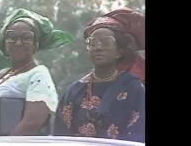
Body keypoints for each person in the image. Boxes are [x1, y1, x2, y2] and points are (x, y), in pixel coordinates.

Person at [0, 8, 74, 136]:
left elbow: (32, 123)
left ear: (35, 45)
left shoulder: (38, 74)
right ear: (5, 44)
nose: (18, 43)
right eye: (12, 37)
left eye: (26, 38)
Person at [54, 8, 145, 142]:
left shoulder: (133, 88)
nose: (98, 48)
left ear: (119, 51)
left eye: (106, 43)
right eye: (93, 43)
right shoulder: (74, 91)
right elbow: (61, 134)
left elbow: (138, 131)